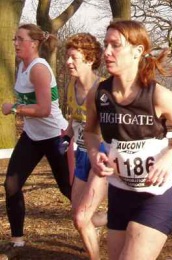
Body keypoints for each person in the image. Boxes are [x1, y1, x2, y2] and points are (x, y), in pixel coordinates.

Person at [84, 20, 172, 260]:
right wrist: (93, 153)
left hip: (155, 197)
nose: (107, 52)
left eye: (115, 45)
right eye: (105, 44)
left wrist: (170, 157)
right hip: (119, 195)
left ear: (138, 51)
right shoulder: (98, 94)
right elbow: (89, 132)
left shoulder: (158, 95)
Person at [1, 23, 72, 247]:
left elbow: (44, 110)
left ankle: (97, 219)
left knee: (68, 189)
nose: (16, 43)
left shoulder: (39, 68)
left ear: (34, 43)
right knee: (11, 184)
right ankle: (18, 240)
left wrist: (13, 109)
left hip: (55, 136)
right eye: (15, 39)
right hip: (32, 136)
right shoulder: (22, 67)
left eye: (20, 39)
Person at [64, 33, 107, 260]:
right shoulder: (71, 85)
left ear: (89, 59)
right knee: (77, 215)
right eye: (67, 57)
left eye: (74, 57)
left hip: (102, 158)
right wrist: (66, 136)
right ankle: (114, 216)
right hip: (82, 155)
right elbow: (74, 120)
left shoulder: (103, 89)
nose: (68, 62)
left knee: (82, 218)